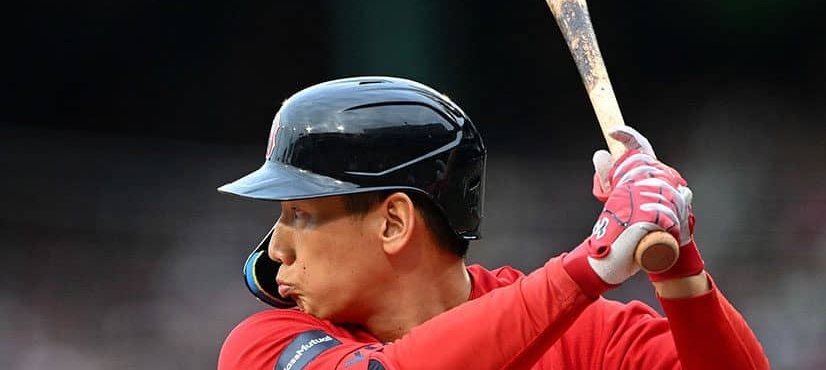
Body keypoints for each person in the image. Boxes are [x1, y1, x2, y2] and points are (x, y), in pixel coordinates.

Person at [216, 76, 769, 369]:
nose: (276, 249)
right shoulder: (266, 345)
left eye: (300, 214)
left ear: (393, 223)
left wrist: (679, 257)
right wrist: (588, 267)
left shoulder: (587, 336)